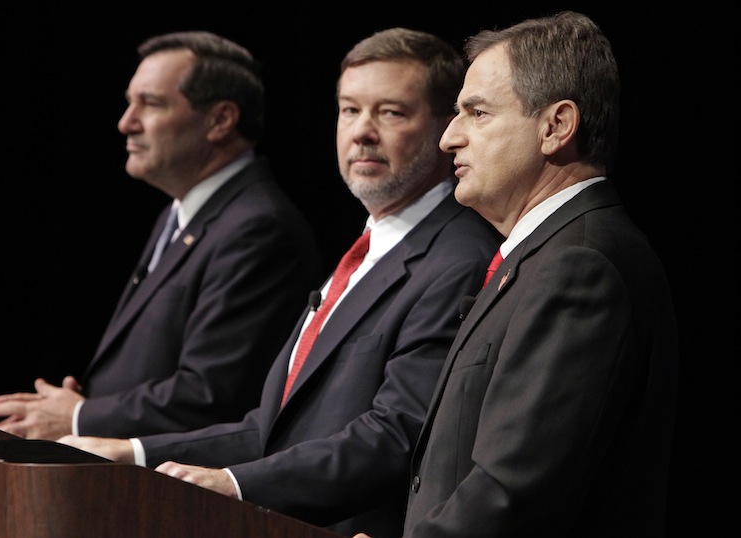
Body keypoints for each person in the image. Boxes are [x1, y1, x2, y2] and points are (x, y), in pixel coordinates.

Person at [57, 27, 503, 538]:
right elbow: (271, 430)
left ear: (445, 129)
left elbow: (396, 435)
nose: (361, 131)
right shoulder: (367, 250)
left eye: (391, 112)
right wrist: (132, 452)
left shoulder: (458, 259)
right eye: (349, 109)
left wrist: (236, 484)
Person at [354, 11, 680, 538]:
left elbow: (515, 491)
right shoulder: (543, 258)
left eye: (476, 113)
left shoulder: (581, 267)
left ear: (556, 126)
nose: (448, 139)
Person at [0, 31, 323, 441]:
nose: (126, 122)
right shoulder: (177, 214)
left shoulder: (259, 228)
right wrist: (87, 404)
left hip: (180, 493)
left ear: (220, 119)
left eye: (151, 103)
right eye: (130, 102)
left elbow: (212, 393)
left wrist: (83, 417)